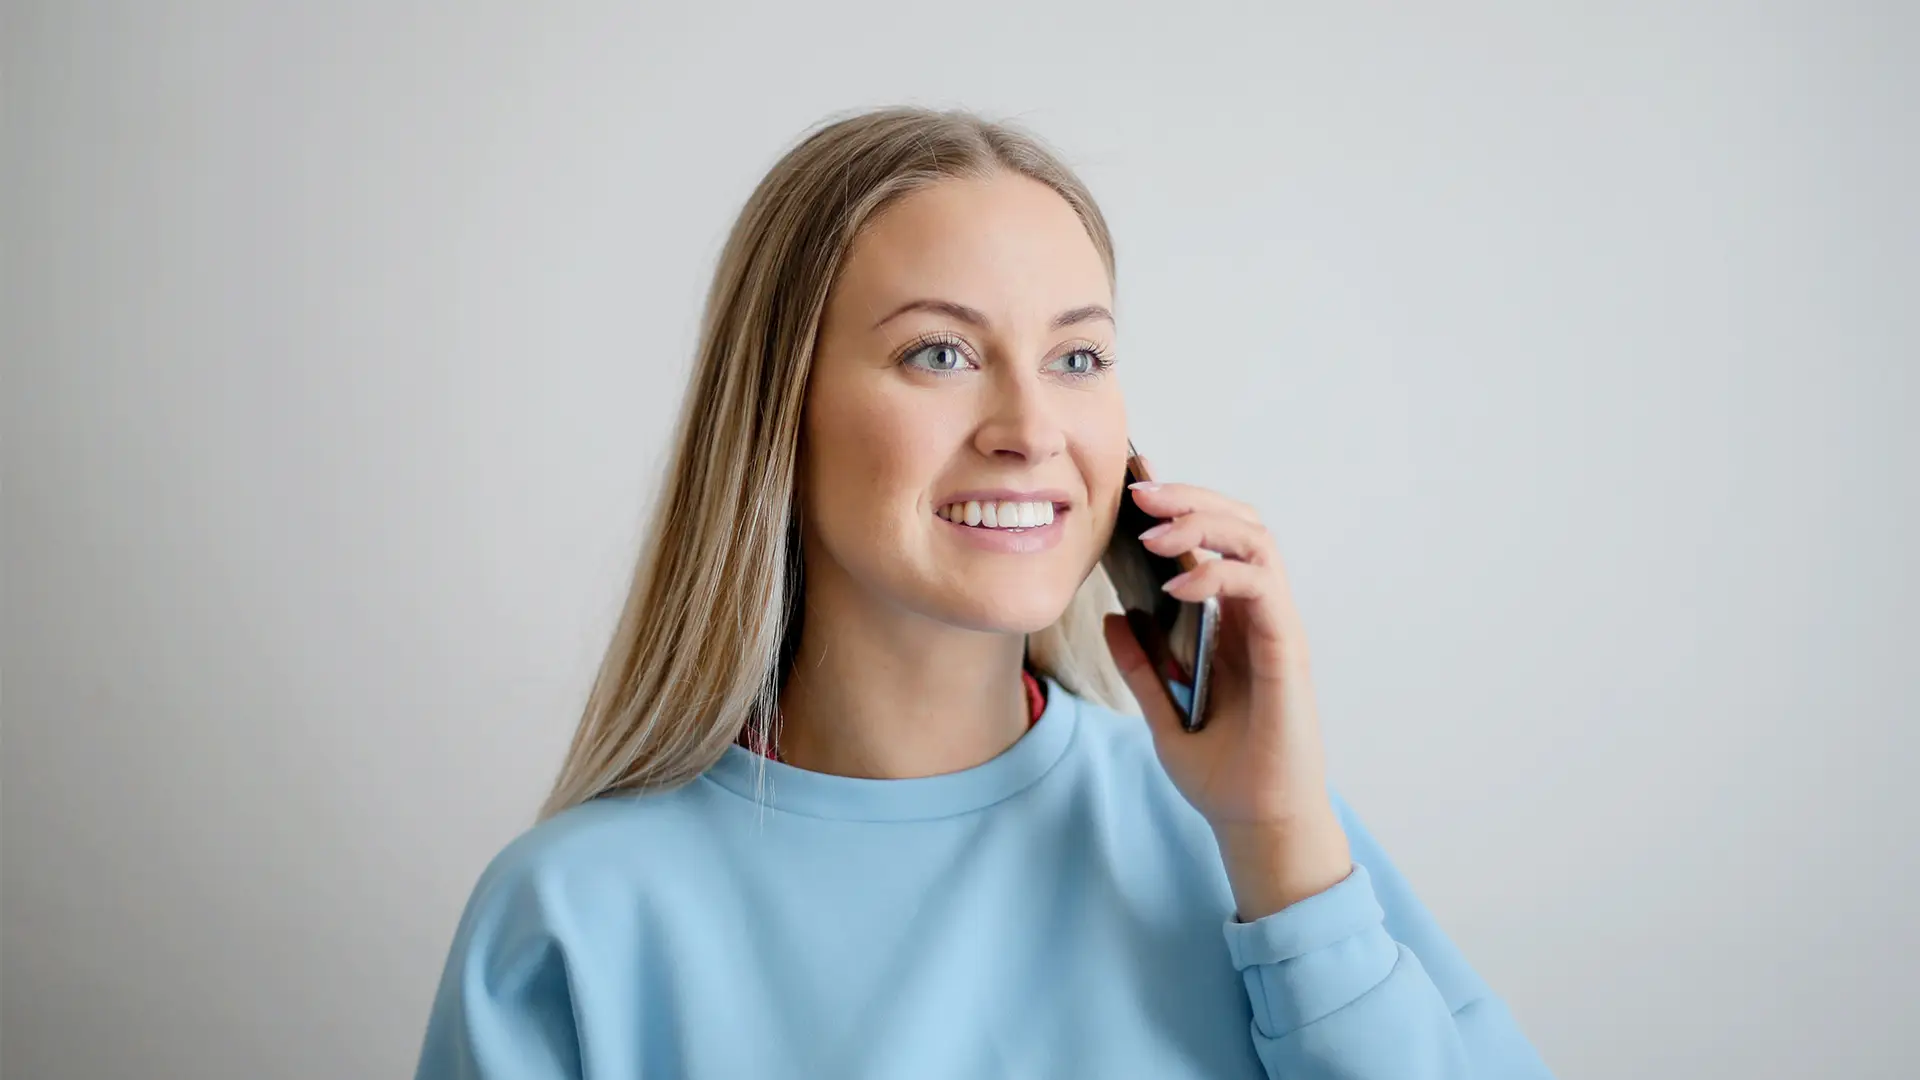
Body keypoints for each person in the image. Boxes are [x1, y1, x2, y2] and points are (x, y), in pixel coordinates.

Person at [413, 106, 1554, 1079]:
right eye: (940, 355)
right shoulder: (571, 923)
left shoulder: (1264, 840)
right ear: (778, 414)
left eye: (1077, 359)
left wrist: (1279, 846)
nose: (1029, 432)